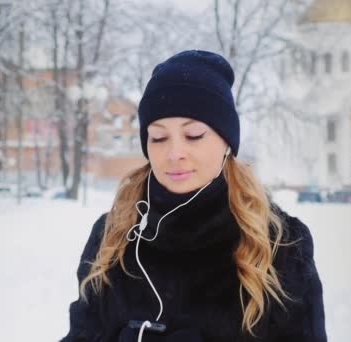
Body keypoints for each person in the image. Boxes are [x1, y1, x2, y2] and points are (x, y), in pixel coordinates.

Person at [61, 50, 327, 342]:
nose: (174, 153)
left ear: (227, 141)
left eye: (194, 135)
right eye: (159, 137)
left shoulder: (282, 244)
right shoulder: (112, 236)